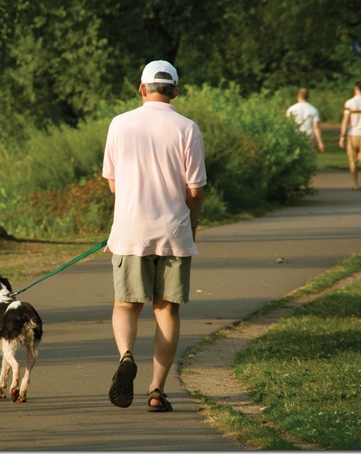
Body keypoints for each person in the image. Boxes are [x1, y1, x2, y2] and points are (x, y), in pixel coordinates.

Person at [102, 60, 207, 412]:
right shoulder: (188, 128)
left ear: (142, 89)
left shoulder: (119, 124)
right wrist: (192, 224)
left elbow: (113, 184)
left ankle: (126, 355)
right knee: (166, 309)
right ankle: (156, 390)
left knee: (125, 304)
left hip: (130, 229)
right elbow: (195, 190)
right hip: (174, 230)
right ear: (175, 90)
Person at [286, 88, 325, 153]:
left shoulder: (291, 109)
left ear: (298, 96)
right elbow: (316, 128)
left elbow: (288, 126)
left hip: (295, 136)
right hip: (308, 136)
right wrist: (320, 142)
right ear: (308, 97)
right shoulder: (313, 109)